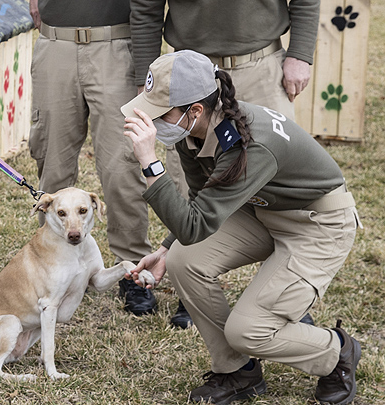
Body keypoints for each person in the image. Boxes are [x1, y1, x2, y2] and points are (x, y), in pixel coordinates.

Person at [129, 0, 320, 327]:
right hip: (195, 77)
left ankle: (285, 282)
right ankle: (189, 282)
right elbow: (146, 8)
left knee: (271, 173)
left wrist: (299, 55)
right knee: (200, 178)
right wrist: (152, 81)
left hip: (260, 67)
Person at [122, 50, 360, 405]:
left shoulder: (248, 143)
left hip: (317, 223)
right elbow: (202, 199)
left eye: (161, 113)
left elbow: (196, 223)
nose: (153, 122)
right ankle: (238, 372)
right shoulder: (195, 132)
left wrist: (150, 164)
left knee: (248, 331)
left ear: (195, 110)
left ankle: (336, 351)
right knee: (183, 261)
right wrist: (167, 247)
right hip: (262, 210)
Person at [13, 0, 160, 316]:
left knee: (120, 164)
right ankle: (55, 265)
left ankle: (132, 269)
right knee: (52, 159)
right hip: (55, 46)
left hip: (114, 47)